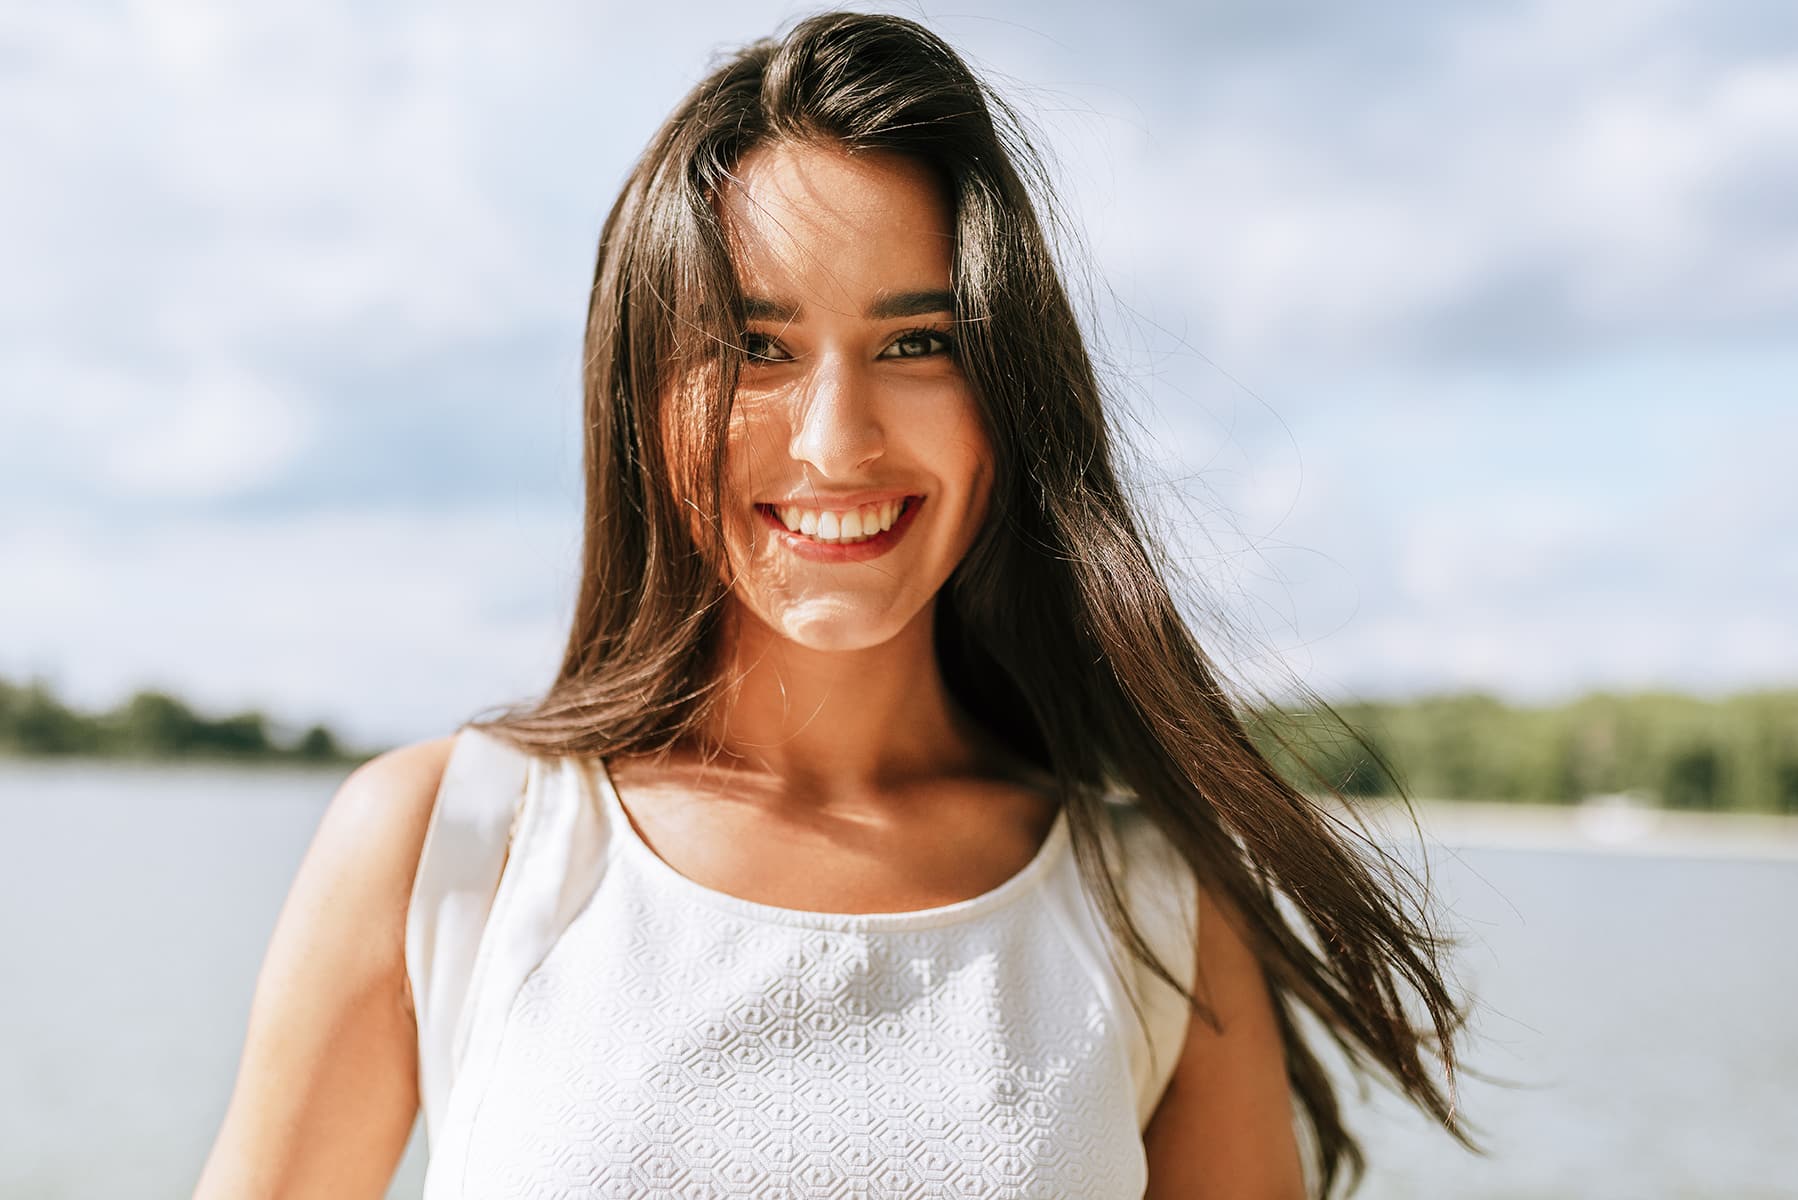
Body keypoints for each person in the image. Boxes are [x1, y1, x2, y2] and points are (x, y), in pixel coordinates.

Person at [195, 12, 1474, 1199]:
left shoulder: (1152, 909)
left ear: (1007, 400)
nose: (835, 439)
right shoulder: (452, 846)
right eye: (756, 345)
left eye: (918, 343)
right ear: (639, 393)